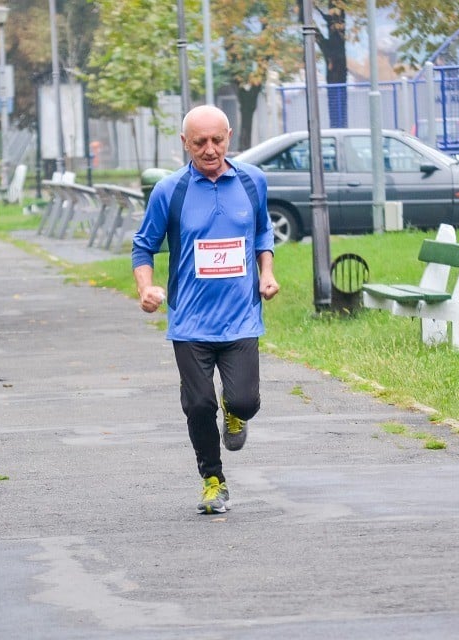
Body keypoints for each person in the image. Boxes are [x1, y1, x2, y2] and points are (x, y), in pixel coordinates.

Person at [132, 105, 280, 515]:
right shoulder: (170, 191)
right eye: (200, 142)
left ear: (229, 136)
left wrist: (266, 272)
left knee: (246, 400)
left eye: (217, 140)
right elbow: (143, 246)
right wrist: (146, 288)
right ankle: (213, 480)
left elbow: (263, 230)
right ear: (185, 143)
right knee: (198, 406)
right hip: (190, 321)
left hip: (241, 317)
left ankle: (237, 412)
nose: (210, 150)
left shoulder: (253, 182)